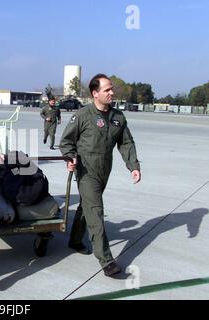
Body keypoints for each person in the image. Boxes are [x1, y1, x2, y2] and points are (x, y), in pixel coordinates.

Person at [59, 74, 141, 277]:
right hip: (86, 170)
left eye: (111, 89)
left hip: (105, 169)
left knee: (87, 207)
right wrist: (69, 157)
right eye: (107, 90)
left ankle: (75, 240)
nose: (111, 92)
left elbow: (126, 143)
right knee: (96, 210)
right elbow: (66, 141)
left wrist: (133, 166)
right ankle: (106, 260)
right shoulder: (83, 115)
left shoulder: (118, 118)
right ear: (95, 94)